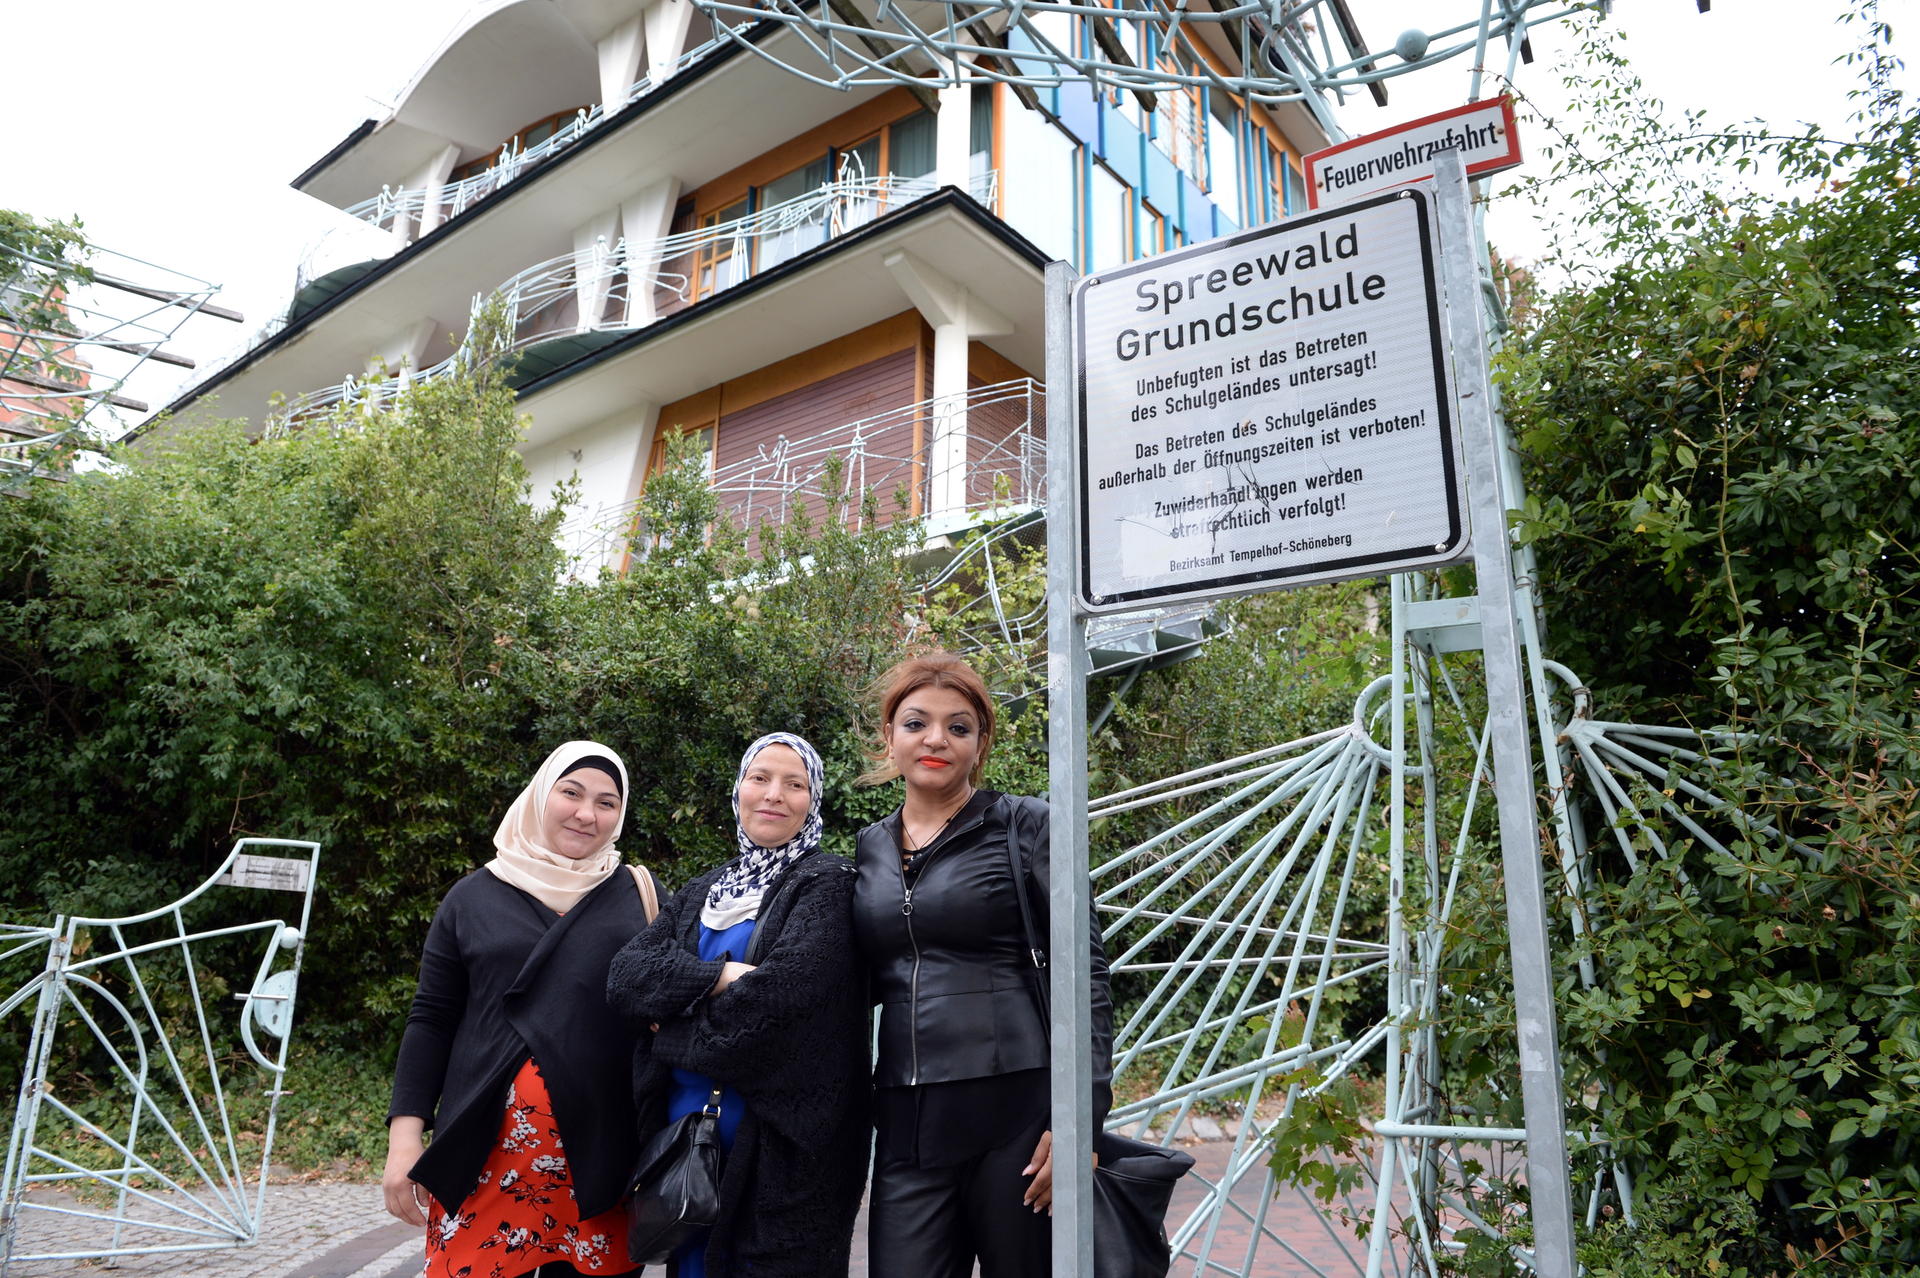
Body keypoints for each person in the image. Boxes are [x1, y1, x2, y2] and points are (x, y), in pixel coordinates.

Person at [851, 651, 1114, 1277]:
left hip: (1017, 1116)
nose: (936, 739)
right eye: (916, 723)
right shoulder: (868, 848)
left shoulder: (1027, 826)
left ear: (981, 742)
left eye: (958, 726)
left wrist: (1084, 1120)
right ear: (890, 736)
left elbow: (1088, 975)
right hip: (907, 1119)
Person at [383, 741, 659, 1278]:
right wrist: (404, 1141)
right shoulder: (472, 898)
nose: (587, 814)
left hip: (602, 1169)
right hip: (482, 1160)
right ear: (540, 795)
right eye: (572, 793)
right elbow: (431, 1021)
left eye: (607, 802)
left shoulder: (639, 896)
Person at [605, 731, 869, 1278]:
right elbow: (626, 979)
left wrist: (667, 1034)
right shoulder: (707, 890)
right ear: (738, 790)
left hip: (780, 1154)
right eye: (760, 778)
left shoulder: (826, 883)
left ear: (812, 801)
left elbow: (775, 1006)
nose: (774, 794)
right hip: (686, 1147)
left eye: (794, 784)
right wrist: (720, 974)